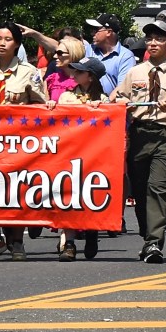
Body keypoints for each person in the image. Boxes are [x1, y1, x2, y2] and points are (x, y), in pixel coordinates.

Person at [111, 20, 166, 263]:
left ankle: (154, 242)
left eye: (159, 39)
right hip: (140, 134)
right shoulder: (135, 72)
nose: (152, 43)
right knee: (139, 192)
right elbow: (118, 96)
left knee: (158, 189)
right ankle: (147, 234)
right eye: (149, 38)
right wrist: (118, 103)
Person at [0, 22, 48, 262]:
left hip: (18, 142)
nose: (2, 43)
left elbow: (41, 105)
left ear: (16, 43)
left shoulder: (27, 72)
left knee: (16, 190)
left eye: (7, 39)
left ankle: (16, 241)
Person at [57, 55, 107, 260]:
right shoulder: (67, 97)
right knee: (68, 195)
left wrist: (104, 109)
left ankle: (92, 232)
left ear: (91, 77)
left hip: (95, 155)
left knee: (91, 195)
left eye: (80, 71)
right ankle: (69, 243)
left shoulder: (104, 101)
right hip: (70, 153)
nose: (74, 74)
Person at [88, 13, 137, 96]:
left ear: (108, 32)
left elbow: (122, 87)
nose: (92, 33)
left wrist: (106, 103)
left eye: (96, 30)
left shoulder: (125, 56)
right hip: (85, 103)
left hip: (109, 106)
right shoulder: (88, 49)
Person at [43, 35, 86, 103]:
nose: (55, 56)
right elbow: (43, 104)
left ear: (73, 54)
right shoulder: (52, 79)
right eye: (55, 53)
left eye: (59, 53)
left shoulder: (86, 79)